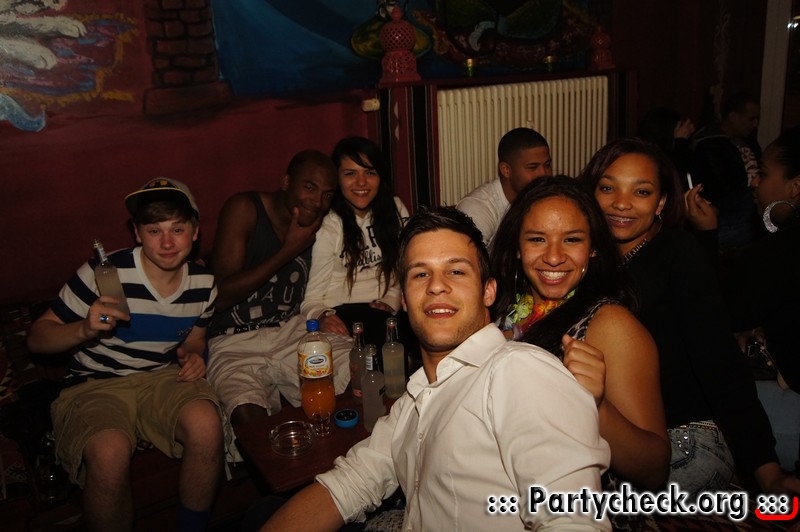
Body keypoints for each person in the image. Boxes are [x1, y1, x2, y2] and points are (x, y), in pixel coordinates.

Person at [261, 207, 611, 531]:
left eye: (456, 271)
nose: (436, 285)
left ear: (488, 292)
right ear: (404, 298)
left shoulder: (517, 371)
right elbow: (348, 485)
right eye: (420, 273)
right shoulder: (414, 402)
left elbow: (574, 520)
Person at [579, 137, 800, 498]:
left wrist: (767, 469)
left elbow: (720, 362)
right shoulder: (587, 256)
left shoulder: (678, 255)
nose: (621, 203)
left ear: (661, 202)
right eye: (607, 188)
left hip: (685, 441)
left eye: (641, 192)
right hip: (618, 437)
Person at [26, 178, 223, 531]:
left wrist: (195, 355)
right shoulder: (104, 273)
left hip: (161, 377)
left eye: (177, 229)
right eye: (154, 230)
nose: (166, 242)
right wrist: (83, 329)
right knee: (109, 451)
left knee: (207, 425)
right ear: (137, 233)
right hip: (95, 383)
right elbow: (37, 339)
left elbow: (195, 338)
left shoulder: (204, 284)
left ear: (195, 232)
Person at [490, 175, 669, 492]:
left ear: (593, 248)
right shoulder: (506, 310)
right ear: (517, 247)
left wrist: (597, 406)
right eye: (537, 239)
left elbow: (654, 469)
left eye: (572, 240)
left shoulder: (610, 324)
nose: (554, 257)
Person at [206, 150, 352, 428]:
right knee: (247, 417)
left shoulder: (323, 224)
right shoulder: (245, 209)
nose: (317, 202)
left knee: (359, 369)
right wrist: (288, 250)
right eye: (309, 187)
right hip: (234, 340)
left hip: (294, 330)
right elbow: (218, 298)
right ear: (286, 182)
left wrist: (323, 313)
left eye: (327, 194)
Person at [724, 126, 800, 470]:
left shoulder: (784, 251)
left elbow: (723, 314)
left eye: (764, 174)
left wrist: (708, 236)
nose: (754, 182)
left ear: (795, 187)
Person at [300, 137, 410, 351]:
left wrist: (392, 299)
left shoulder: (395, 209)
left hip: (389, 309)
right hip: (343, 311)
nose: (361, 183)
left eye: (370, 173)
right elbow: (311, 299)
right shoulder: (330, 225)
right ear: (337, 179)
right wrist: (322, 316)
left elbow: (409, 267)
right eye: (350, 173)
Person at [456, 127, 553, 246]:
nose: (544, 174)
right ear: (506, 170)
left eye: (547, 165)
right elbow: (468, 256)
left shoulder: (546, 198)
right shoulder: (477, 208)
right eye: (532, 167)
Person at [691, 91, 763, 251]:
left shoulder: (750, 142)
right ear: (733, 117)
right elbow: (720, 187)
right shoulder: (711, 144)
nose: (755, 124)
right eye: (751, 119)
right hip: (725, 204)